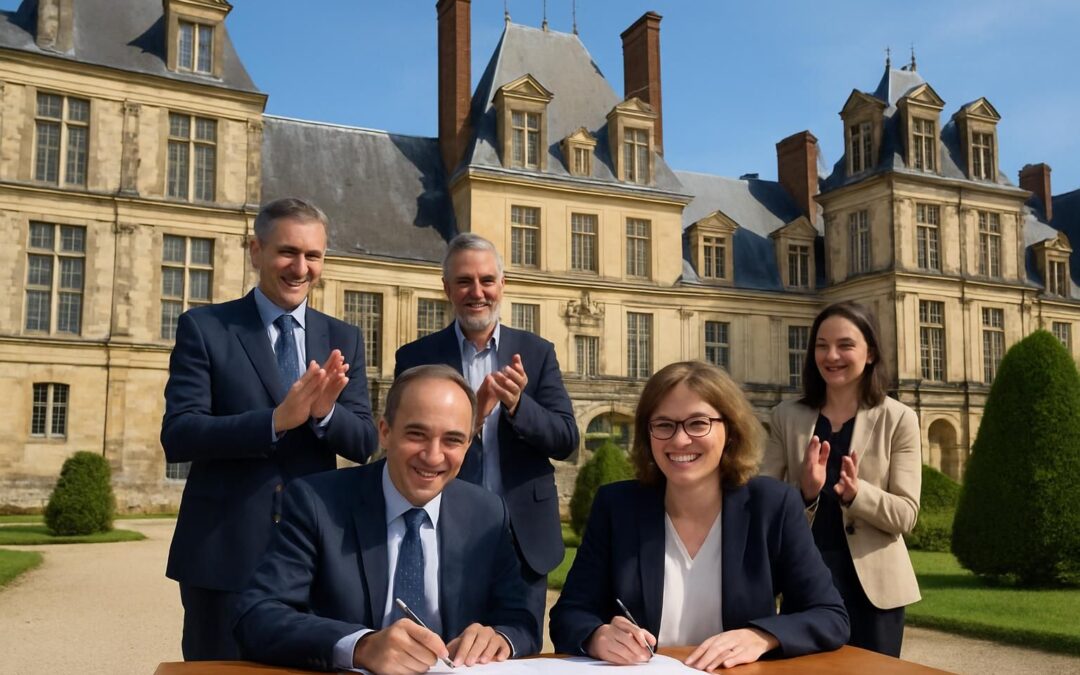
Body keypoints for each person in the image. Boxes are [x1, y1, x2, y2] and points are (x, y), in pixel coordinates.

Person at [160, 197, 378, 660]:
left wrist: (324, 415)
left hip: (313, 557)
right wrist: (276, 422)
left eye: (313, 255)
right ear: (256, 250)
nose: (301, 267)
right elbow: (179, 433)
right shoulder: (205, 327)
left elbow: (364, 442)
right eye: (287, 252)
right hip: (223, 553)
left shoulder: (344, 338)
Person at [233, 365, 538, 673]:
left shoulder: (487, 513)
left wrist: (500, 637)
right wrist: (361, 646)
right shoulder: (317, 503)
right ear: (385, 432)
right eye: (417, 434)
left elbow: (521, 622)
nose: (433, 456)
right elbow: (258, 616)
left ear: (468, 445)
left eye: (452, 440)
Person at [550, 361, 848, 670]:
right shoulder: (616, 506)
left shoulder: (772, 505)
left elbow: (830, 615)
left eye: (698, 423)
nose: (680, 440)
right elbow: (569, 615)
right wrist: (598, 636)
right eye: (664, 424)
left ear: (730, 431)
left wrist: (761, 636)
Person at [394, 233, 579, 642]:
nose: (476, 292)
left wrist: (517, 406)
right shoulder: (416, 357)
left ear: (502, 284)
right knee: (449, 645)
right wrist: (472, 417)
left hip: (522, 534)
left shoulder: (536, 351)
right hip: (445, 524)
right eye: (463, 281)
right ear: (447, 289)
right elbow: (398, 446)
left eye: (486, 280)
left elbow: (567, 439)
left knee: (517, 645)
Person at [760, 301, 921, 657]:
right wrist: (805, 494)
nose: (831, 355)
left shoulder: (899, 419)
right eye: (821, 345)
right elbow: (762, 503)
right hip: (805, 581)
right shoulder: (786, 417)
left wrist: (856, 494)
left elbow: (907, 514)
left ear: (871, 353)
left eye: (845, 345)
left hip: (874, 590)